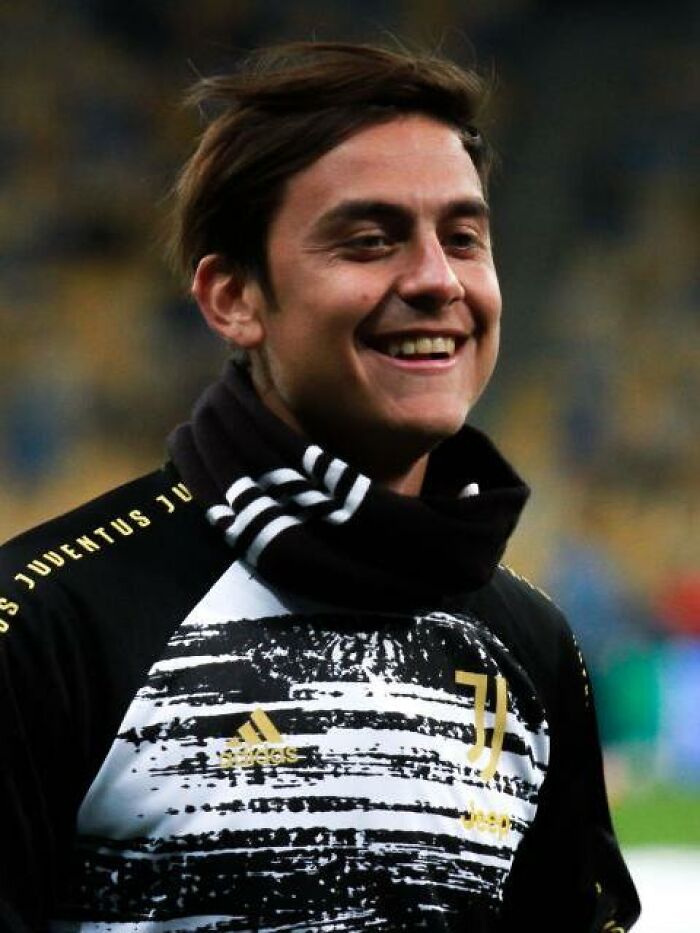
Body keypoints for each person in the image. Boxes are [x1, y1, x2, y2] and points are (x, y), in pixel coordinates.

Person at [0, 42, 639, 932]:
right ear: (234, 299)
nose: (435, 280)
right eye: (369, 240)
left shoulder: (533, 645)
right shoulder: (44, 618)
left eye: (463, 237)